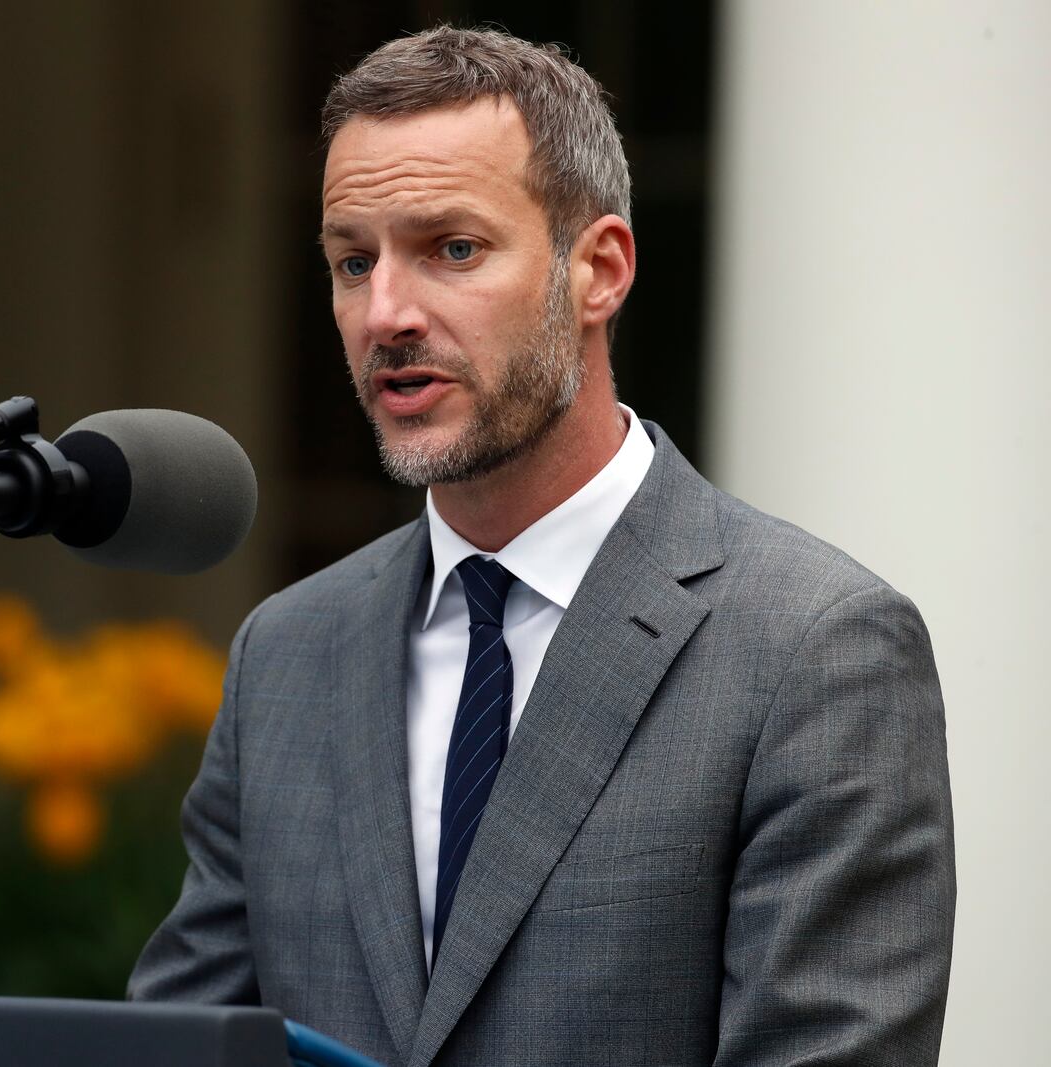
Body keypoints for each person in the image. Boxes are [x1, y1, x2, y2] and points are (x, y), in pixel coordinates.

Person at [128, 26, 955, 1067]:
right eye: (351, 260)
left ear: (598, 269)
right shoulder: (286, 651)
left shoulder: (813, 648)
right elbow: (179, 1042)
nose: (384, 313)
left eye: (451, 249)